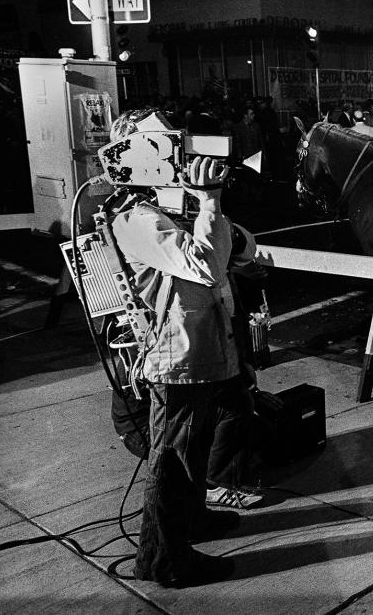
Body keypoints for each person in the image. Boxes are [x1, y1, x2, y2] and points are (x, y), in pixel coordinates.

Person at [108, 109, 259, 586]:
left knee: (190, 452)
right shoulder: (136, 219)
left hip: (200, 351)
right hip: (176, 358)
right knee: (172, 461)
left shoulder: (165, 209)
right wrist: (209, 205)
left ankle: (191, 521)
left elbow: (244, 247)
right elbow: (207, 265)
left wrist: (208, 209)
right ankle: (165, 561)